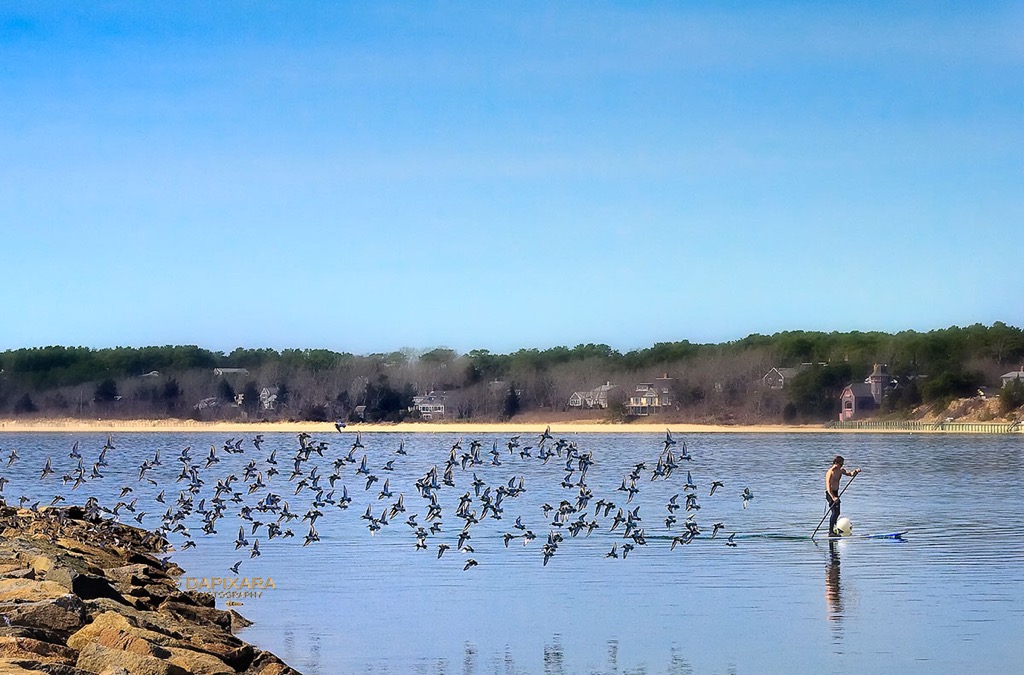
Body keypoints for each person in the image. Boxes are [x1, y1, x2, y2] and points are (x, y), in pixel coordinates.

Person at [825, 455, 861, 536]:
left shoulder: (840, 470)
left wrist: (856, 471)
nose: (842, 466)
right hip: (830, 493)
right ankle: (830, 532)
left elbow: (850, 474)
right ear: (836, 463)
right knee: (834, 512)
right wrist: (833, 497)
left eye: (842, 464)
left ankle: (834, 529)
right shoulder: (830, 472)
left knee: (837, 512)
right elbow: (828, 486)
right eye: (841, 464)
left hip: (836, 493)